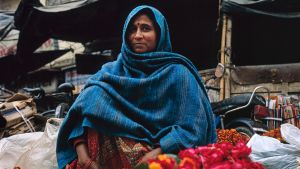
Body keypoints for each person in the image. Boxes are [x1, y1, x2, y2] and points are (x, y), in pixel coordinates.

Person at [56, 5, 216, 169]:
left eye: (145, 28)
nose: (137, 35)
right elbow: (79, 114)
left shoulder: (178, 74)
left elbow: (194, 128)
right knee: (95, 97)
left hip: (160, 161)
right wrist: (83, 156)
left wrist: (158, 152)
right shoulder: (110, 73)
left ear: (159, 34)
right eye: (132, 29)